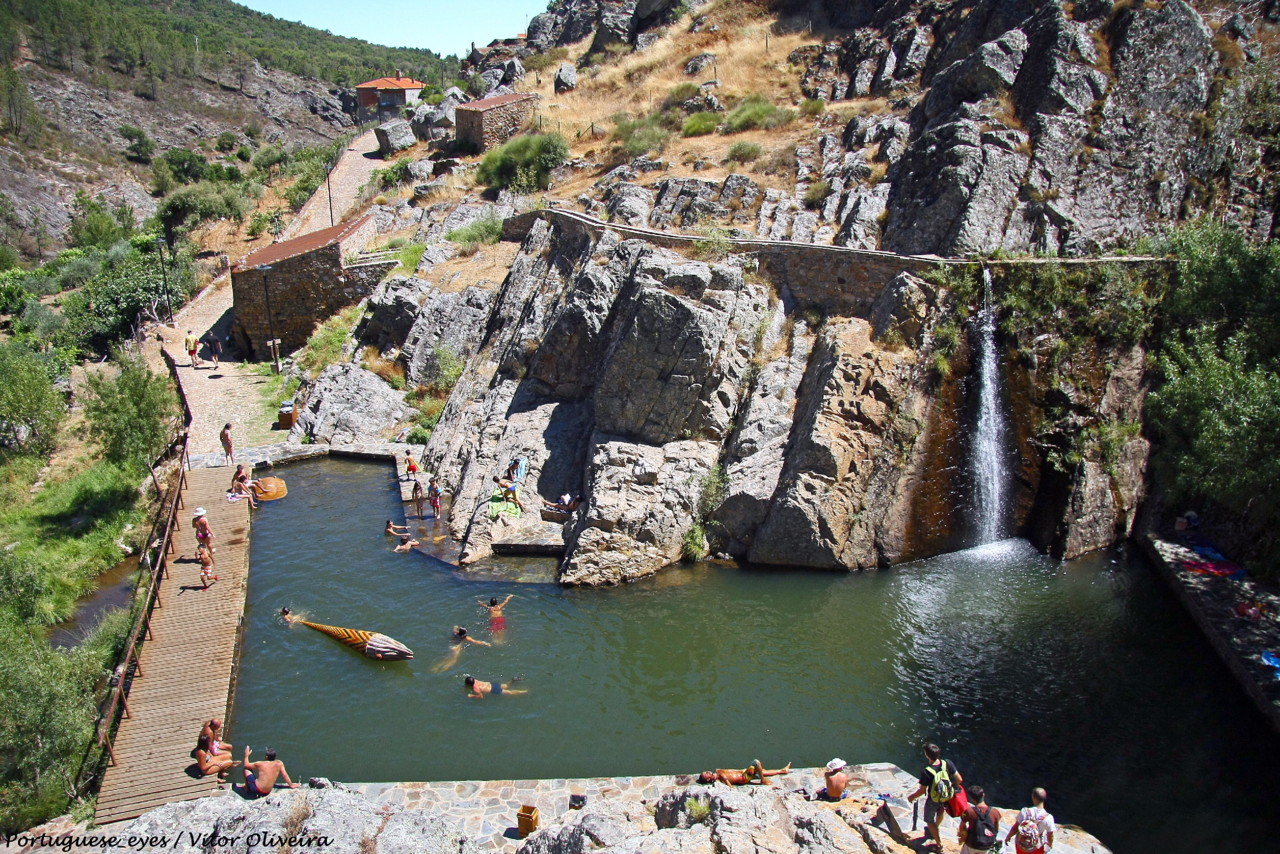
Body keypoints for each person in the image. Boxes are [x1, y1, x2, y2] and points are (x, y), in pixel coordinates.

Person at [907, 743, 963, 851]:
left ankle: (939, 843)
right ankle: (935, 827)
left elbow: (922, 790)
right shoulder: (947, 763)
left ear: (927, 755)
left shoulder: (927, 771)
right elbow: (959, 779)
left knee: (928, 819)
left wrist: (911, 797)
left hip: (934, 799)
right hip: (946, 796)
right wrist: (949, 787)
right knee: (940, 812)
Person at [1005, 787, 1054, 854]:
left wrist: (1008, 837)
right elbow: (1050, 835)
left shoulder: (1025, 811)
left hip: (1021, 844)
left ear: (1033, 797)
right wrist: (1050, 845)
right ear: (1044, 798)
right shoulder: (1048, 817)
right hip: (1036, 846)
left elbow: (1015, 827)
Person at [958, 785, 1002, 854]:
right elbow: (996, 829)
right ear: (983, 795)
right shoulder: (995, 812)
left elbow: (962, 827)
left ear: (972, 799)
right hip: (987, 846)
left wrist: (962, 836)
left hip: (971, 845)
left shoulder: (969, 811)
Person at [697, 760, 792, 786]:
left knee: (761, 771)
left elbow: (730, 770)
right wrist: (728, 783)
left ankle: (782, 771)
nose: (708, 771)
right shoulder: (718, 780)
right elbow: (729, 785)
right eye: (706, 773)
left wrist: (741, 770)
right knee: (756, 763)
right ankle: (763, 781)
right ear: (708, 779)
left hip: (742, 772)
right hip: (743, 778)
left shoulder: (717, 771)